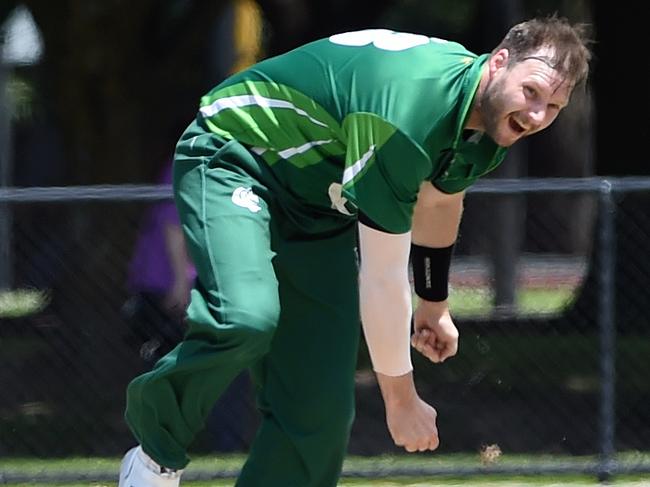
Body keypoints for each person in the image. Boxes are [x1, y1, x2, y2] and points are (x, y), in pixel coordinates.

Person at [118, 15, 591, 487]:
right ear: (499, 62)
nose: (536, 116)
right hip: (237, 158)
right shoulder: (407, 114)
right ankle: (155, 457)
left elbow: (440, 198)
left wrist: (434, 304)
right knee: (246, 317)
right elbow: (382, 278)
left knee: (318, 410)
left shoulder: (487, 124)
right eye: (532, 92)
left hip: (315, 209)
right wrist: (400, 399)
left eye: (553, 107)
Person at [123, 158, 196, 362]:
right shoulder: (186, 166)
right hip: (166, 284)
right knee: (167, 360)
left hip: (181, 284)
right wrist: (181, 281)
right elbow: (173, 225)